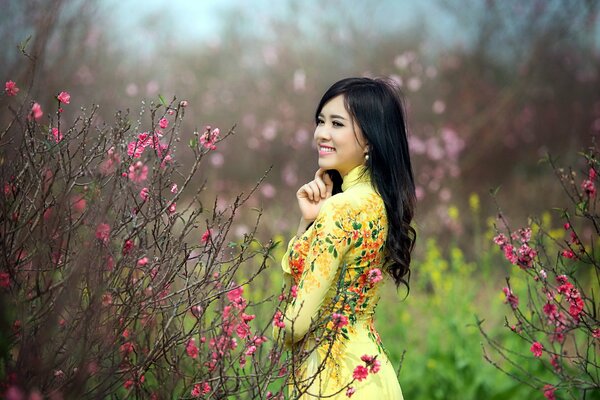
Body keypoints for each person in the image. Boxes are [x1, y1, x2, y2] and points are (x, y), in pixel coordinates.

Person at [276, 77, 416, 399]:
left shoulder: (340, 209)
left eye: (337, 123)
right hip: (374, 376)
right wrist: (307, 224)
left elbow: (295, 324)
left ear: (369, 140)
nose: (322, 133)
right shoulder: (379, 202)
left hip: (332, 381)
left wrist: (275, 329)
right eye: (321, 121)